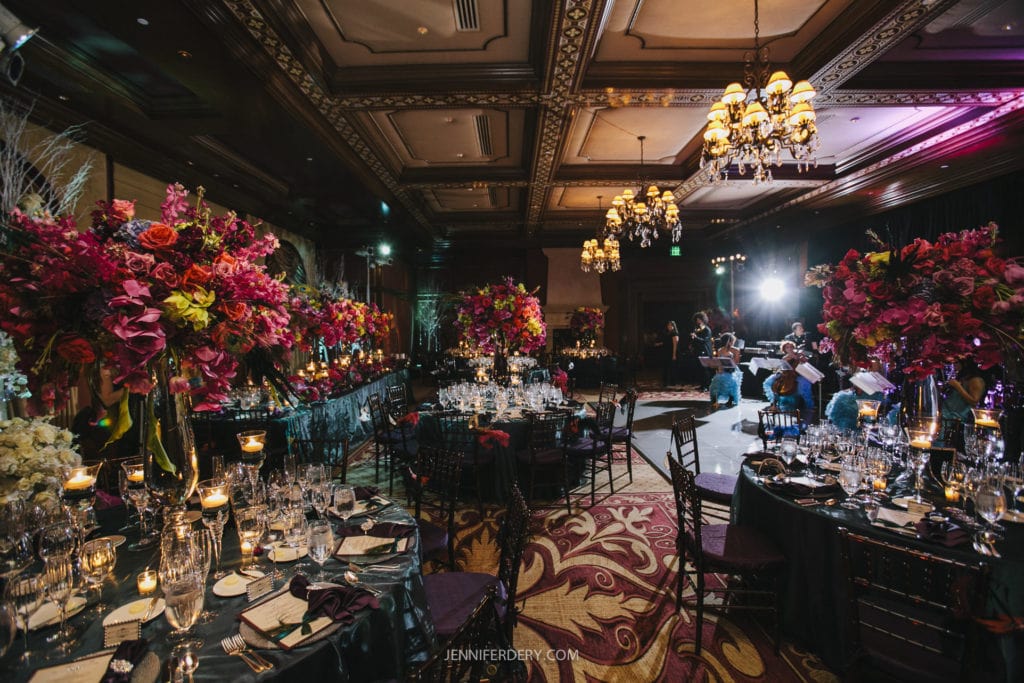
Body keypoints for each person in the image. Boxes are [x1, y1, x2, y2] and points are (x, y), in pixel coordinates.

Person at [939, 358, 988, 448]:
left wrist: (958, 387)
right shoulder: (961, 377)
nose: (954, 366)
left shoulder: (975, 380)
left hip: (957, 420)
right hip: (945, 417)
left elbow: (974, 401)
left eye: (956, 363)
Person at [708, 332, 742, 409]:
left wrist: (730, 362)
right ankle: (715, 398)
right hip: (722, 369)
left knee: (731, 379)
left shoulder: (736, 350)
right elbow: (719, 362)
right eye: (732, 341)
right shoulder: (720, 350)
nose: (733, 342)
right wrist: (720, 370)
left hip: (733, 369)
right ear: (728, 341)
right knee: (717, 380)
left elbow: (736, 363)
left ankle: (731, 398)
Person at [690, 312, 713, 390]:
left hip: (705, 351)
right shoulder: (697, 329)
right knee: (699, 369)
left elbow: (704, 341)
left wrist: (695, 337)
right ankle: (702, 385)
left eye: (699, 319)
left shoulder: (707, 329)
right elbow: (696, 340)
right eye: (697, 319)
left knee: (705, 369)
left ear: (703, 320)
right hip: (698, 351)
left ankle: (707, 386)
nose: (697, 321)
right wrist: (692, 344)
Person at [657, 320, 679, 388]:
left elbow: (675, 344)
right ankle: (665, 382)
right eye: (668, 325)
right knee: (665, 367)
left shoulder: (674, 333)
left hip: (671, 352)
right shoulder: (668, 333)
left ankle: (672, 382)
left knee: (671, 368)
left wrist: (674, 355)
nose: (669, 326)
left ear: (673, 326)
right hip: (665, 352)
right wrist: (659, 344)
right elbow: (666, 342)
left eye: (670, 325)